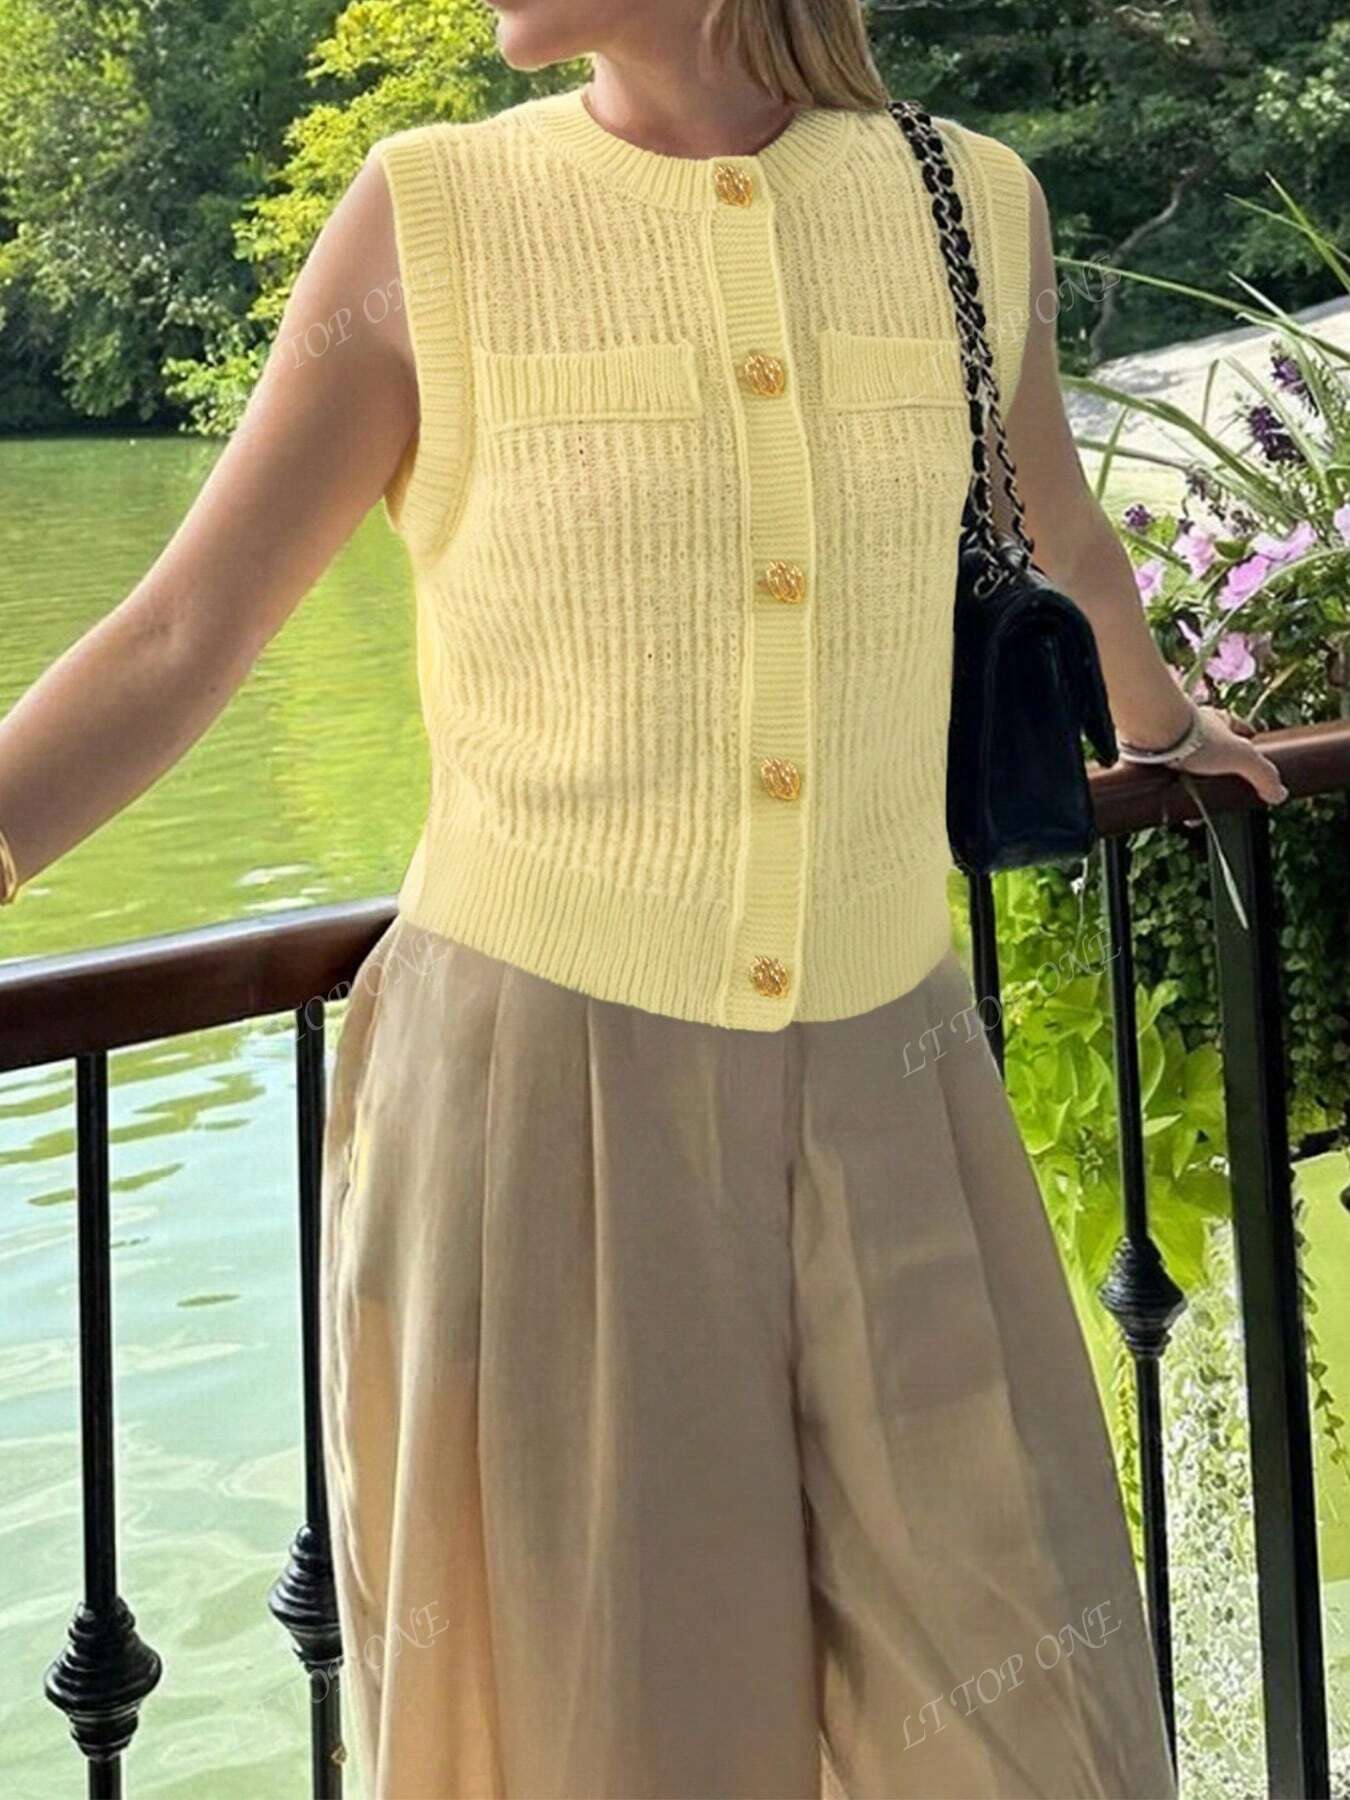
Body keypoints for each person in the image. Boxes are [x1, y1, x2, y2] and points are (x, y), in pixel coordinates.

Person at [0, 1, 1286, 1795]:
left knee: (1036, 1728)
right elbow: (181, 631)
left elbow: (1049, 525)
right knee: (601, 1734)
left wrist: (1161, 730)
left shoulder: (970, 200)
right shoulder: (431, 213)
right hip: (538, 1104)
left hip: (901, 1085)